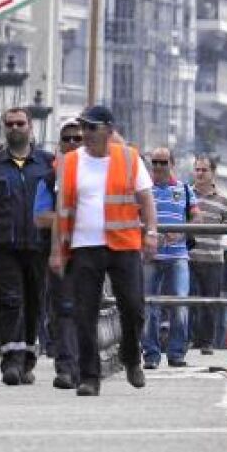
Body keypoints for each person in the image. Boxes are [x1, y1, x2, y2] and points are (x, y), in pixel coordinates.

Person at [51, 105, 155, 397]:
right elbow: (61, 209)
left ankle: (131, 357)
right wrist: (57, 251)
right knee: (84, 313)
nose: (85, 134)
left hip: (124, 244)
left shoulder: (129, 158)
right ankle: (89, 377)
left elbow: (146, 199)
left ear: (109, 130)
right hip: (84, 246)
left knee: (133, 307)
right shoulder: (70, 162)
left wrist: (151, 233)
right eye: (83, 127)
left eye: (91, 128)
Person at [0, 107, 54, 387]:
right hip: (5, 245)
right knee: (10, 301)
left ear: (30, 126)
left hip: (38, 245)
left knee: (35, 302)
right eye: (10, 124)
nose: (15, 128)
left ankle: (27, 360)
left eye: (20, 123)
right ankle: (11, 361)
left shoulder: (47, 163)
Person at [32, 117, 83, 389]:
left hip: (93, 252)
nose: (73, 143)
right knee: (63, 309)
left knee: (87, 309)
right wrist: (71, 218)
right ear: (59, 144)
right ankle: (65, 367)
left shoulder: (98, 173)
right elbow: (40, 217)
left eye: (78, 138)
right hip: (59, 253)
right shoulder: (49, 177)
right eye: (67, 138)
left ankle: (85, 365)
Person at [141, 148, 198, 369]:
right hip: (151, 254)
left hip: (178, 254)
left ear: (172, 164)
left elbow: (197, 217)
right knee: (149, 306)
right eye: (154, 162)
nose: (157, 166)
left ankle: (176, 353)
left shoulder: (184, 190)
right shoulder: (144, 190)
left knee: (180, 304)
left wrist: (182, 231)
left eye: (162, 162)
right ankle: (151, 355)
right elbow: (135, 215)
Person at [189, 155, 227, 355]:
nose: (200, 174)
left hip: (213, 259)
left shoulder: (224, 200)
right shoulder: (186, 195)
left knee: (210, 303)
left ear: (213, 173)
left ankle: (207, 343)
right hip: (189, 258)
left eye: (204, 170)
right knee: (188, 301)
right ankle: (191, 340)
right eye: (197, 169)